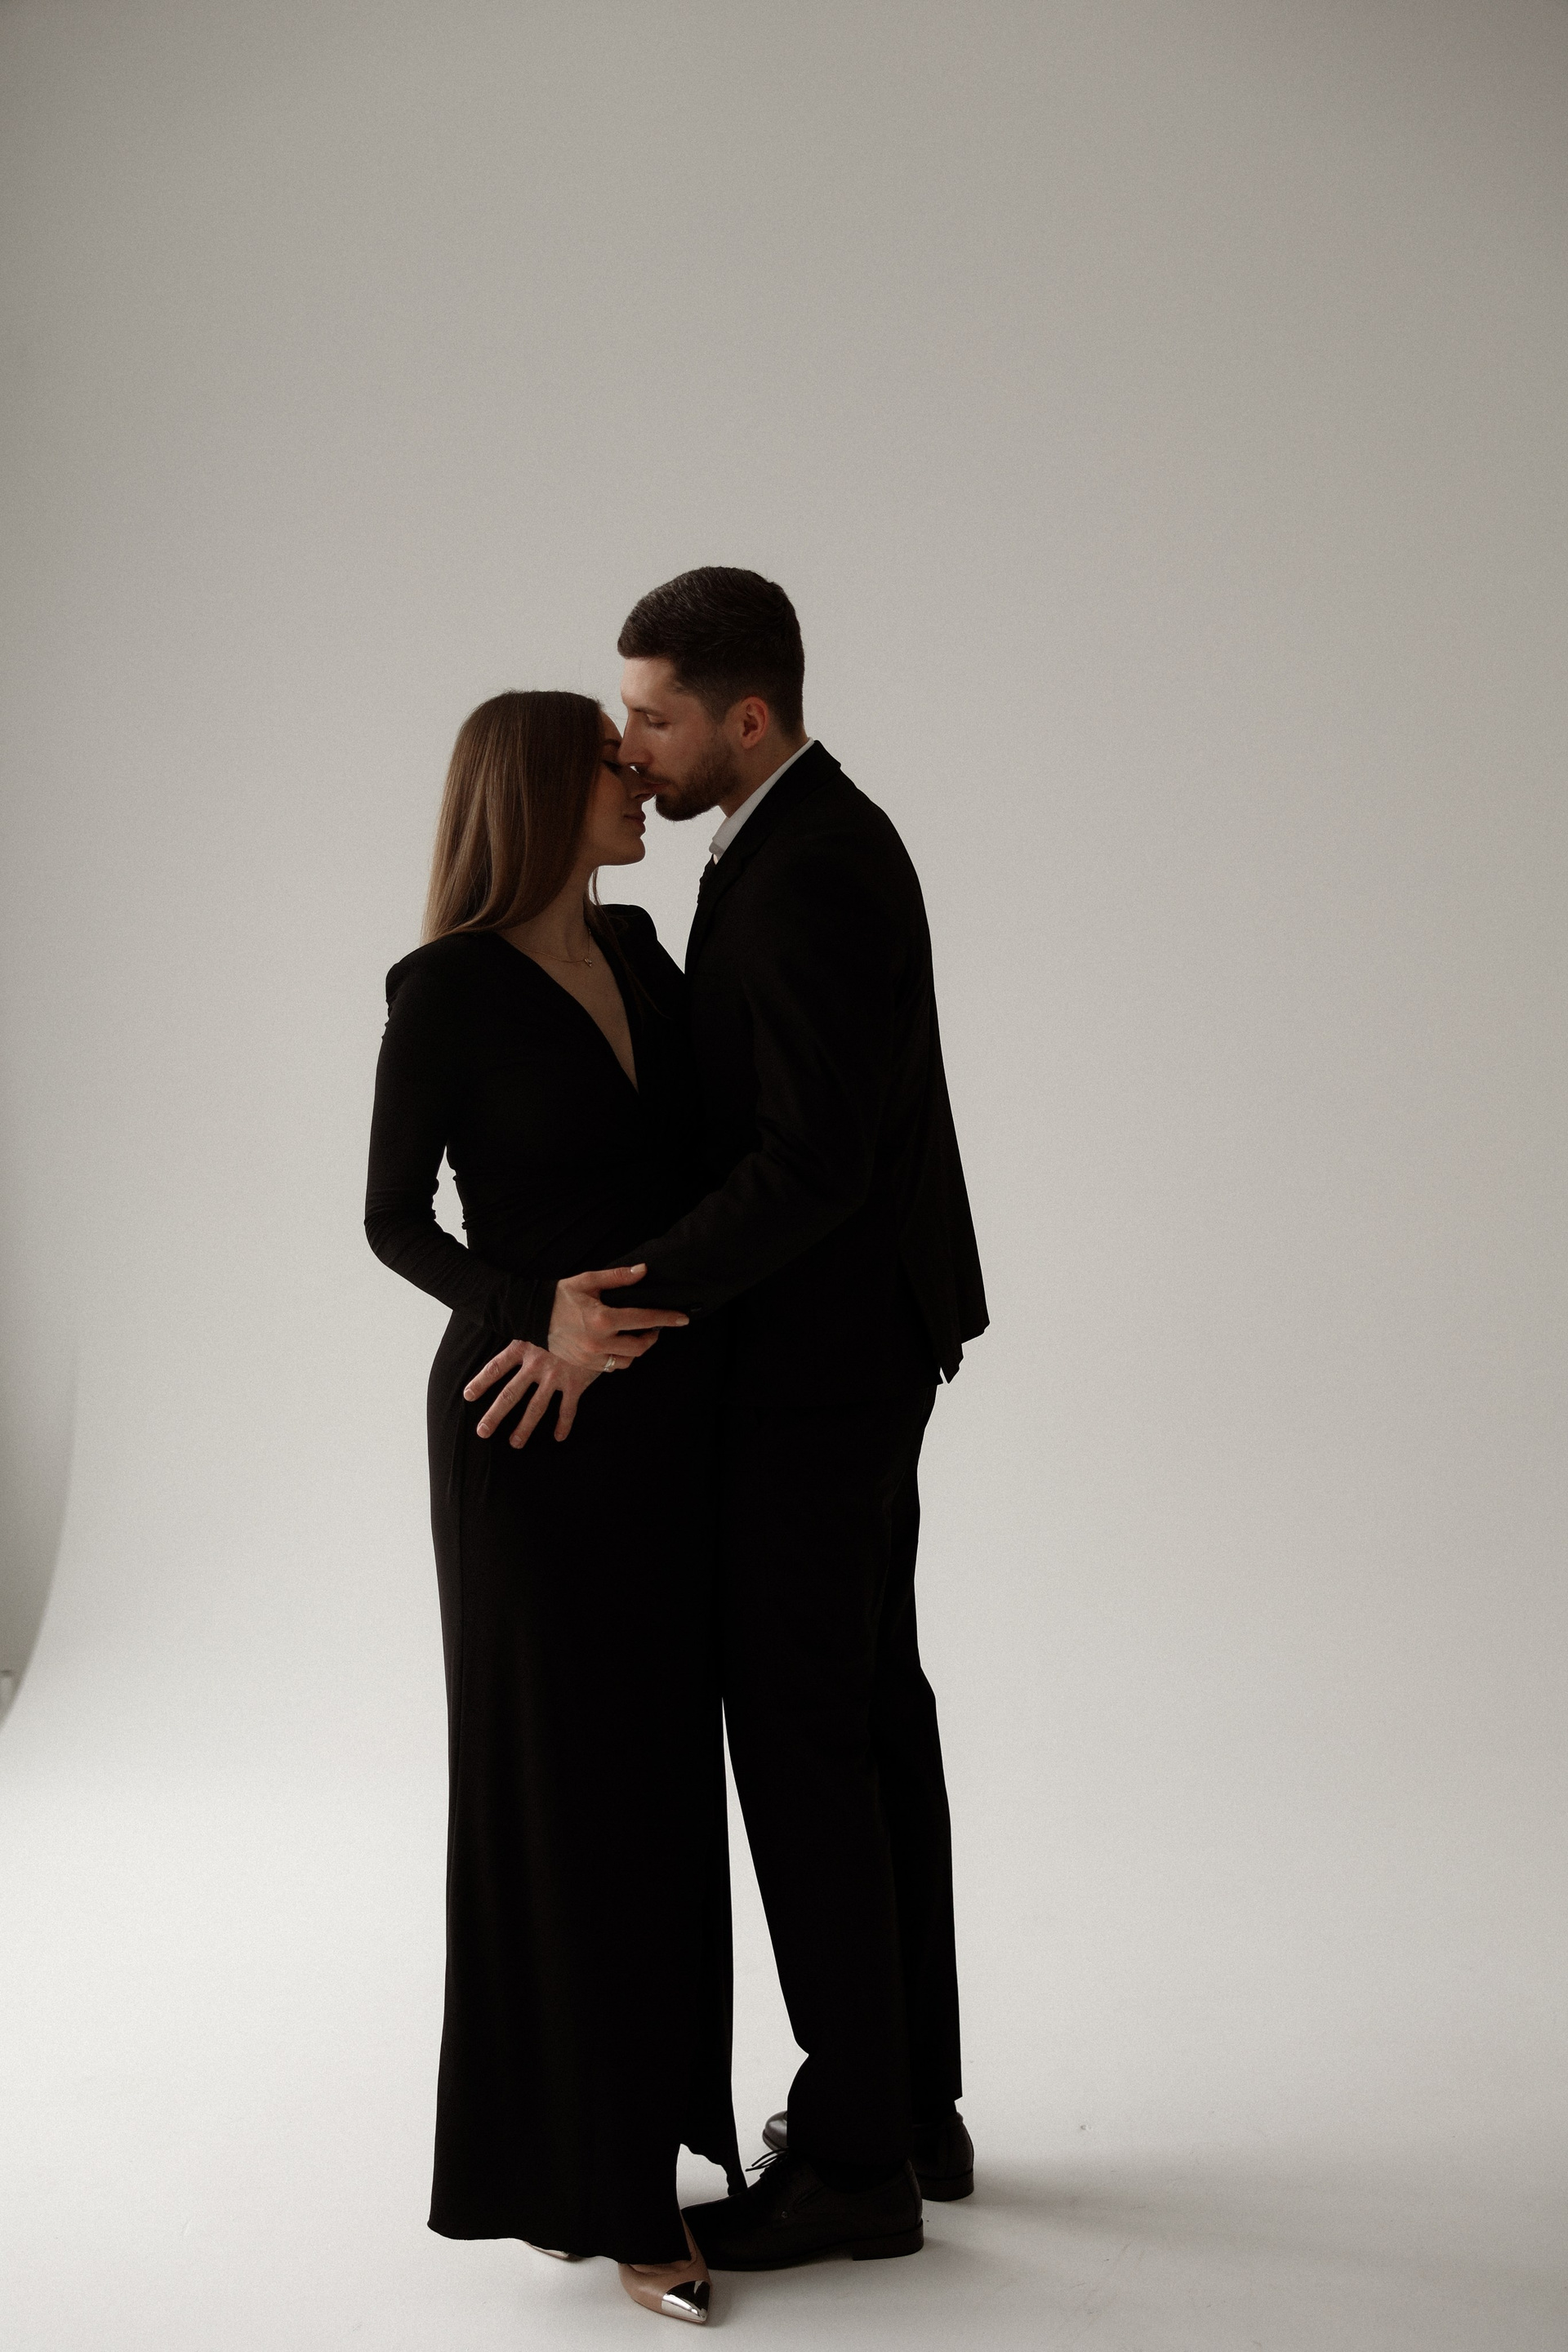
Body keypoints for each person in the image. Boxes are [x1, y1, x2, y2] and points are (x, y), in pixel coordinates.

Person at [467, 570, 989, 2270]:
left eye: (656, 717)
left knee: (806, 1743)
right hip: (854, 1353)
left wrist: (616, 1303)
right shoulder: (787, 841)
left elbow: (812, 1163)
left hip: (823, 1371)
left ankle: (854, 2160)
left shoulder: (812, 863)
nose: (631, 746)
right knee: (871, 1723)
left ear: (746, 718)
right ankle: (910, 2106)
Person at [364, 688, 744, 2325]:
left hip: (663, 1427)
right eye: (609, 758)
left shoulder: (644, 951)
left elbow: (714, 1168)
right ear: (536, 788)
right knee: (557, 1797)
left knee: (656, 1787)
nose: (638, 775)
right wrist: (542, 1316)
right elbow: (392, 1219)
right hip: (521, 1426)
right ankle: (604, 2195)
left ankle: (645, 2142)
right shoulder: (445, 988)